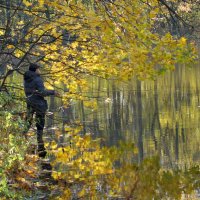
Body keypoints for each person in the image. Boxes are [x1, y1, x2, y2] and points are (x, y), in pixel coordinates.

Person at [23, 63, 59, 158]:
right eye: (39, 69)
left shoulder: (26, 78)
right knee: (40, 122)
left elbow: (31, 91)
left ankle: (23, 134)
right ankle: (39, 140)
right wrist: (53, 92)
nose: (40, 71)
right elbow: (42, 92)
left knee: (29, 120)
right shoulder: (37, 79)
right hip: (39, 103)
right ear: (35, 70)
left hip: (30, 101)